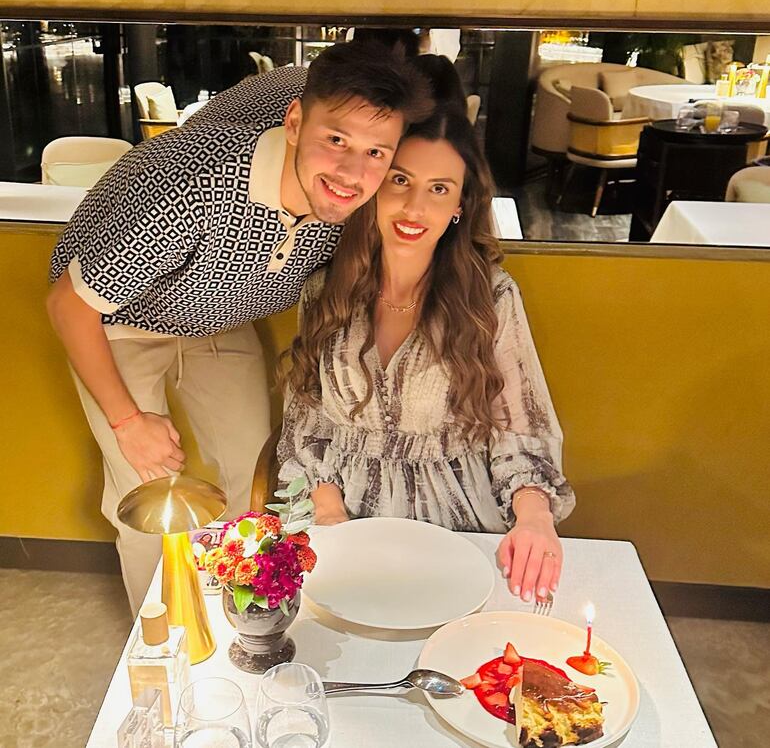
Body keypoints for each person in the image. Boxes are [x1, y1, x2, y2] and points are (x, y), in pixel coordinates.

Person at [46, 41, 433, 615]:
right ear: (296, 122)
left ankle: (233, 620)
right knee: (146, 489)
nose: (353, 174)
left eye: (377, 152)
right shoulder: (183, 187)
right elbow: (68, 308)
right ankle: (165, 650)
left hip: (221, 311)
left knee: (254, 467)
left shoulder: (357, 190)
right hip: (115, 318)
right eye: (336, 142)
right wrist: (129, 421)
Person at [278, 103, 575, 603]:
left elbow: (520, 430)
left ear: (460, 204)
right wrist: (329, 518)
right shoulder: (324, 291)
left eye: (439, 189)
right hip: (343, 514)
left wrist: (535, 516)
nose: (415, 208)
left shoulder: (491, 297)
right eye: (400, 181)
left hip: (457, 523)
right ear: (374, 186)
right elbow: (306, 425)